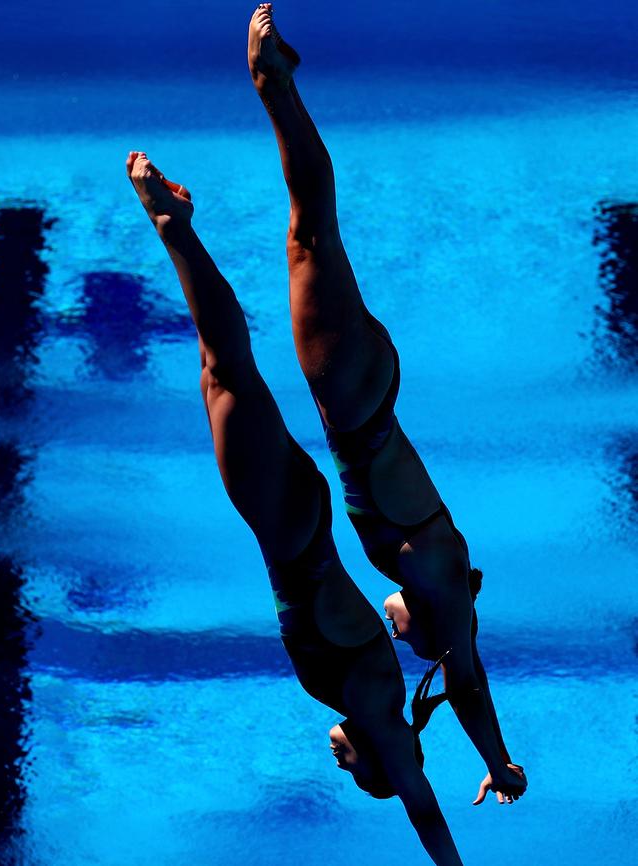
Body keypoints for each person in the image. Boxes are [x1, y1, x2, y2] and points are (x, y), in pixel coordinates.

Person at [126, 150, 464, 865]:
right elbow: (422, 803)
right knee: (223, 374)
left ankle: (176, 230)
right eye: (357, 772)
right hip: (290, 527)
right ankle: (173, 228)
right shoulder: (377, 709)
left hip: (293, 522)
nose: (340, 764)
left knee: (219, 377)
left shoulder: (367, 695)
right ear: (384, 760)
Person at [247, 4, 527, 804]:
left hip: (362, 396)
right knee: (310, 237)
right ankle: (274, 85)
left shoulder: (441, 595)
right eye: (405, 634)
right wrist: (497, 761)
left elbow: (458, 681)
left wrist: (488, 753)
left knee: (313, 243)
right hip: (355, 396)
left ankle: (279, 86)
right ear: (435, 631)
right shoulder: (441, 597)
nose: (388, 622)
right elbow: (466, 683)